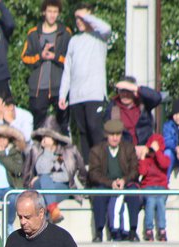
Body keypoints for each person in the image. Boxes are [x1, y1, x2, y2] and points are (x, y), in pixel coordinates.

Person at [59, 6, 112, 162]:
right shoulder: (74, 41)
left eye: (82, 18)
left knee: (94, 128)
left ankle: (101, 166)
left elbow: (107, 27)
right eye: (77, 18)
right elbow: (67, 69)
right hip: (76, 96)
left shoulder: (99, 36)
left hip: (94, 94)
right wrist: (63, 94)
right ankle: (88, 167)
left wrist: (85, 16)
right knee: (83, 133)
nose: (79, 21)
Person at [22, 119, 87, 223]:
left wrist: (47, 177)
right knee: (43, 181)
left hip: (60, 186)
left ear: (54, 138)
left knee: (44, 191)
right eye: (43, 137)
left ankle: (48, 215)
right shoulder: (37, 151)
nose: (44, 139)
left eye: (47, 137)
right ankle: (53, 211)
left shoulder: (62, 154)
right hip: (39, 186)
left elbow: (66, 176)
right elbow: (41, 170)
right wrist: (47, 151)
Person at [20, 0, 71, 131]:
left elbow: (72, 60)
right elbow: (25, 57)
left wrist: (55, 57)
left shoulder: (66, 33)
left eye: (55, 12)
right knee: (38, 125)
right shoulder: (33, 33)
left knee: (63, 125)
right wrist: (40, 56)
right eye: (49, 11)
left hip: (59, 86)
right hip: (38, 88)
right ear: (44, 12)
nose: (52, 15)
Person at [87, 119, 140, 242]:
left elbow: (134, 170)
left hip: (125, 184)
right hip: (105, 184)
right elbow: (94, 173)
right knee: (99, 196)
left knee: (133, 194)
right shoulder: (97, 150)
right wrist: (110, 183)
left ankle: (132, 231)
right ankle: (99, 232)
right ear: (106, 135)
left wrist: (124, 180)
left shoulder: (128, 148)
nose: (115, 138)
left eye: (118, 134)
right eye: (112, 135)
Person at [103, 77, 162, 150]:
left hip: (144, 147)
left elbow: (157, 98)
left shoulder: (143, 104)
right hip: (123, 150)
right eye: (122, 91)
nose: (125, 94)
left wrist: (137, 88)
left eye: (128, 91)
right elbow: (107, 133)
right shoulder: (112, 107)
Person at [137, 134, 170, 241]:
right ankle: (149, 229)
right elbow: (142, 172)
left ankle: (162, 230)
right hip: (148, 186)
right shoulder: (147, 159)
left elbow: (164, 164)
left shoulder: (165, 157)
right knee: (150, 200)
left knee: (160, 201)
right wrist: (142, 157)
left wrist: (157, 152)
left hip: (161, 186)